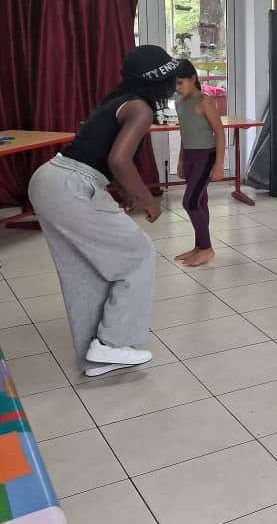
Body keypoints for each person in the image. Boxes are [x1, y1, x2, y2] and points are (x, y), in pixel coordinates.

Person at [28, 45, 178, 377]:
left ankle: (97, 357)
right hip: (71, 185)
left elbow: (102, 154)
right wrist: (148, 199)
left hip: (51, 180)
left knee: (85, 272)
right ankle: (112, 342)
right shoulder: (141, 109)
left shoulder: (119, 101)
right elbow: (119, 160)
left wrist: (124, 192)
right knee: (137, 255)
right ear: (159, 82)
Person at [172, 60, 226, 267]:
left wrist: (219, 164)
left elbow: (219, 133)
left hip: (206, 157)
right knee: (200, 202)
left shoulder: (204, 101)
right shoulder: (179, 103)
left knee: (190, 202)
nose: (177, 88)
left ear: (193, 78)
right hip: (190, 157)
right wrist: (180, 160)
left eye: (180, 83)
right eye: (174, 84)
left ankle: (207, 249)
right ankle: (199, 246)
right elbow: (184, 134)